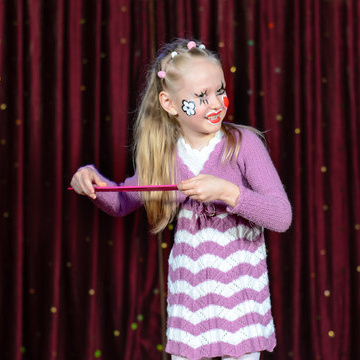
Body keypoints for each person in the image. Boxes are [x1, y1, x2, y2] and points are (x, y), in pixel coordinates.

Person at [70, 38, 292, 360]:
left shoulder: (243, 144)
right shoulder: (166, 158)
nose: (216, 103)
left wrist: (228, 193)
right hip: (192, 303)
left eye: (220, 90)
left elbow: (281, 215)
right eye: (201, 97)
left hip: (241, 299)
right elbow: (121, 202)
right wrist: (93, 182)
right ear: (170, 103)